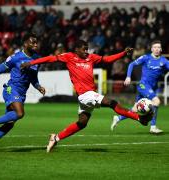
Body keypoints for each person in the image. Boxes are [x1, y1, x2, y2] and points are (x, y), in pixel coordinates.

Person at [21, 40, 152, 152]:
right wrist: (31, 63)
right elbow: (49, 58)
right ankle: (140, 119)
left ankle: (55, 138)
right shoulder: (69, 56)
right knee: (111, 103)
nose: (86, 51)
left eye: (87, 49)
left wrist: (123, 53)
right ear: (76, 49)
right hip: (85, 95)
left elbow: (106, 59)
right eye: (84, 49)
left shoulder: (91, 57)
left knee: (82, 123)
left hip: (88, 95)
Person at [0, 33, 45, 144]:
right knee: (19, 113)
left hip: (21, 93)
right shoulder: (15, 57)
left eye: (36, 42)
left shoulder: (37, 59)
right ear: (25, 44)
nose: (35, 44)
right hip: (11, 89)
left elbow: (33, 78)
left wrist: (38, 86)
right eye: (32, 42)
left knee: (9, 123)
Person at [111, 40, 169, 134]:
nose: (157, 49)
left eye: (158, 47)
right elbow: (131, 64)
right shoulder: (146, 58)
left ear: (161, 49)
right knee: (156, 101)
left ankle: (118, 118)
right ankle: (153, 127)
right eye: (155, 47)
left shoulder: (164, 61)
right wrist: (128, 77)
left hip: (151, 88)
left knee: (135, 109)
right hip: (143, 85)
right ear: (151, 49)